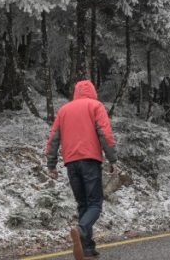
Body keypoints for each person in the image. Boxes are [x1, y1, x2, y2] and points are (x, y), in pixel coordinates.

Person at [44, 80, 118, 260]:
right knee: (95, 204)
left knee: (83, 204)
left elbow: (53, 138)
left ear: (75, 92)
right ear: (93, 91)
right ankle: (81, 229)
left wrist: (51, 164)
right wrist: (112, 159)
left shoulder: (64, 110)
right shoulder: (95, 106)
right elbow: (105, 133)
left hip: (71, 163)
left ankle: (87, 249)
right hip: (90, 160)